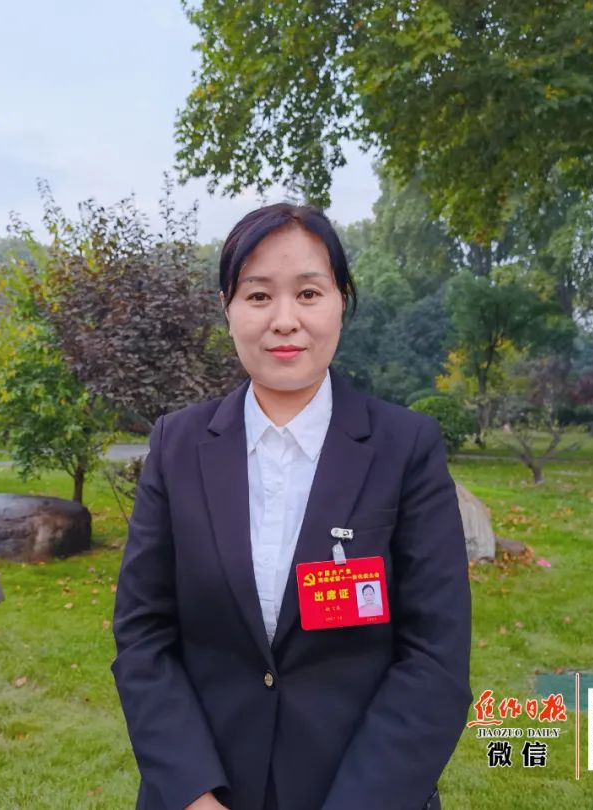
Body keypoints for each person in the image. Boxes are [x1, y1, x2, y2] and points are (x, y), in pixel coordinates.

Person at [111, 203, 472, 810]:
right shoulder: (178, 446)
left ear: (340, 303)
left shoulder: (405, 448)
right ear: (228, 308)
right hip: (204, 791)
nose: (285, 321)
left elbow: (435, 656)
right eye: (258, 296)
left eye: (308, 293)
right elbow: (143, 634)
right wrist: (194, 795)